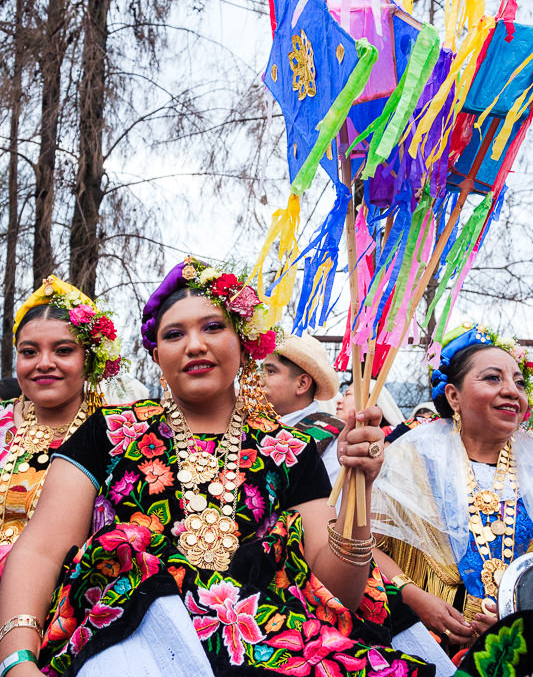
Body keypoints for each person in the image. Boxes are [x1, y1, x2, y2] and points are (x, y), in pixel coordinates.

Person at [0, 258, 434, 677]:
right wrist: (17, 660)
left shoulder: (291, 450)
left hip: (272, 646)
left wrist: (360, 487)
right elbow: (41, 550)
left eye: (212, 327)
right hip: (130, 640)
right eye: (174, 334)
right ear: (157, 356)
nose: (194, 345)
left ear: (244, 346)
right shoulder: (110, 432)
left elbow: (339, 593)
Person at [371, 322, 533, 653]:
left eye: (519, 382)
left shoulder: (529, 463)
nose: (512, 391)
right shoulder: (411, 459)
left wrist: (515, 617)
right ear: (453, 396)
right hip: (422, 644)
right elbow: (362, 544)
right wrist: (411, 596)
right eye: (493, 378)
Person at [0, 275, 122, 570]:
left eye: (63, 350)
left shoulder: (119, 435)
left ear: (90, 361)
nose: (43, 363)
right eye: (29, 352)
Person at [261, 333, 343, 484]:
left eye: (271, 371)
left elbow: (330, 497)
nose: (260, 381)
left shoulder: (334, 437)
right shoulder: (252, 423)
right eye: (262, 372)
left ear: (302, 384)